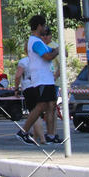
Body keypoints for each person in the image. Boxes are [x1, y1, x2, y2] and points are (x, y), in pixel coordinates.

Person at [16, 15, 61, 145]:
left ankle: (51, 135)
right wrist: (57, 51)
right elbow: (47, 56)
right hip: (41, 79)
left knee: (51, 106)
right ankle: (23, 131)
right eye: (44, 26)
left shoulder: (38, 42)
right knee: (41, 106)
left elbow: (50, 50)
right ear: (39, 26)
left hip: (47, 79)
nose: (45, 29)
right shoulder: (35, 42)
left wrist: (56, 50)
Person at [14, 54, 44, 144]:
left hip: (28, 87)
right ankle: (35, 137)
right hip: (39, 86)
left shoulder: (23, 61)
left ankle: (42, 138)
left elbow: (18, 75)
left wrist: (16, 88)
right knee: (37, 113)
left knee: (34, 113)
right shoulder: (40, 61)